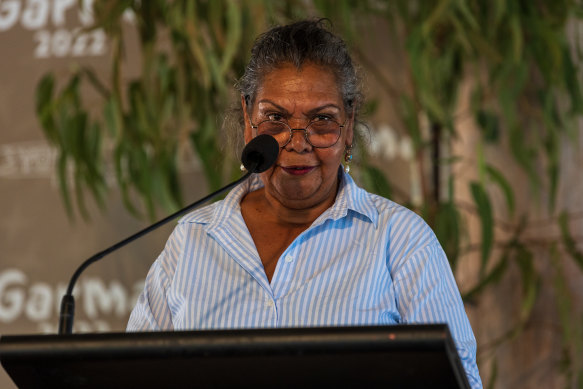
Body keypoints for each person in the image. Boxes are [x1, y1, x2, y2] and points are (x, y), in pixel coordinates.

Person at [127, 19, 482, 388]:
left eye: (322, 120)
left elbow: (462, 381)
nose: (297, 143)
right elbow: (134, 375)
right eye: (275, 118)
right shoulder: (193, 240)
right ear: (249, 120)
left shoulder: (401, 240)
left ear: (349, 123)